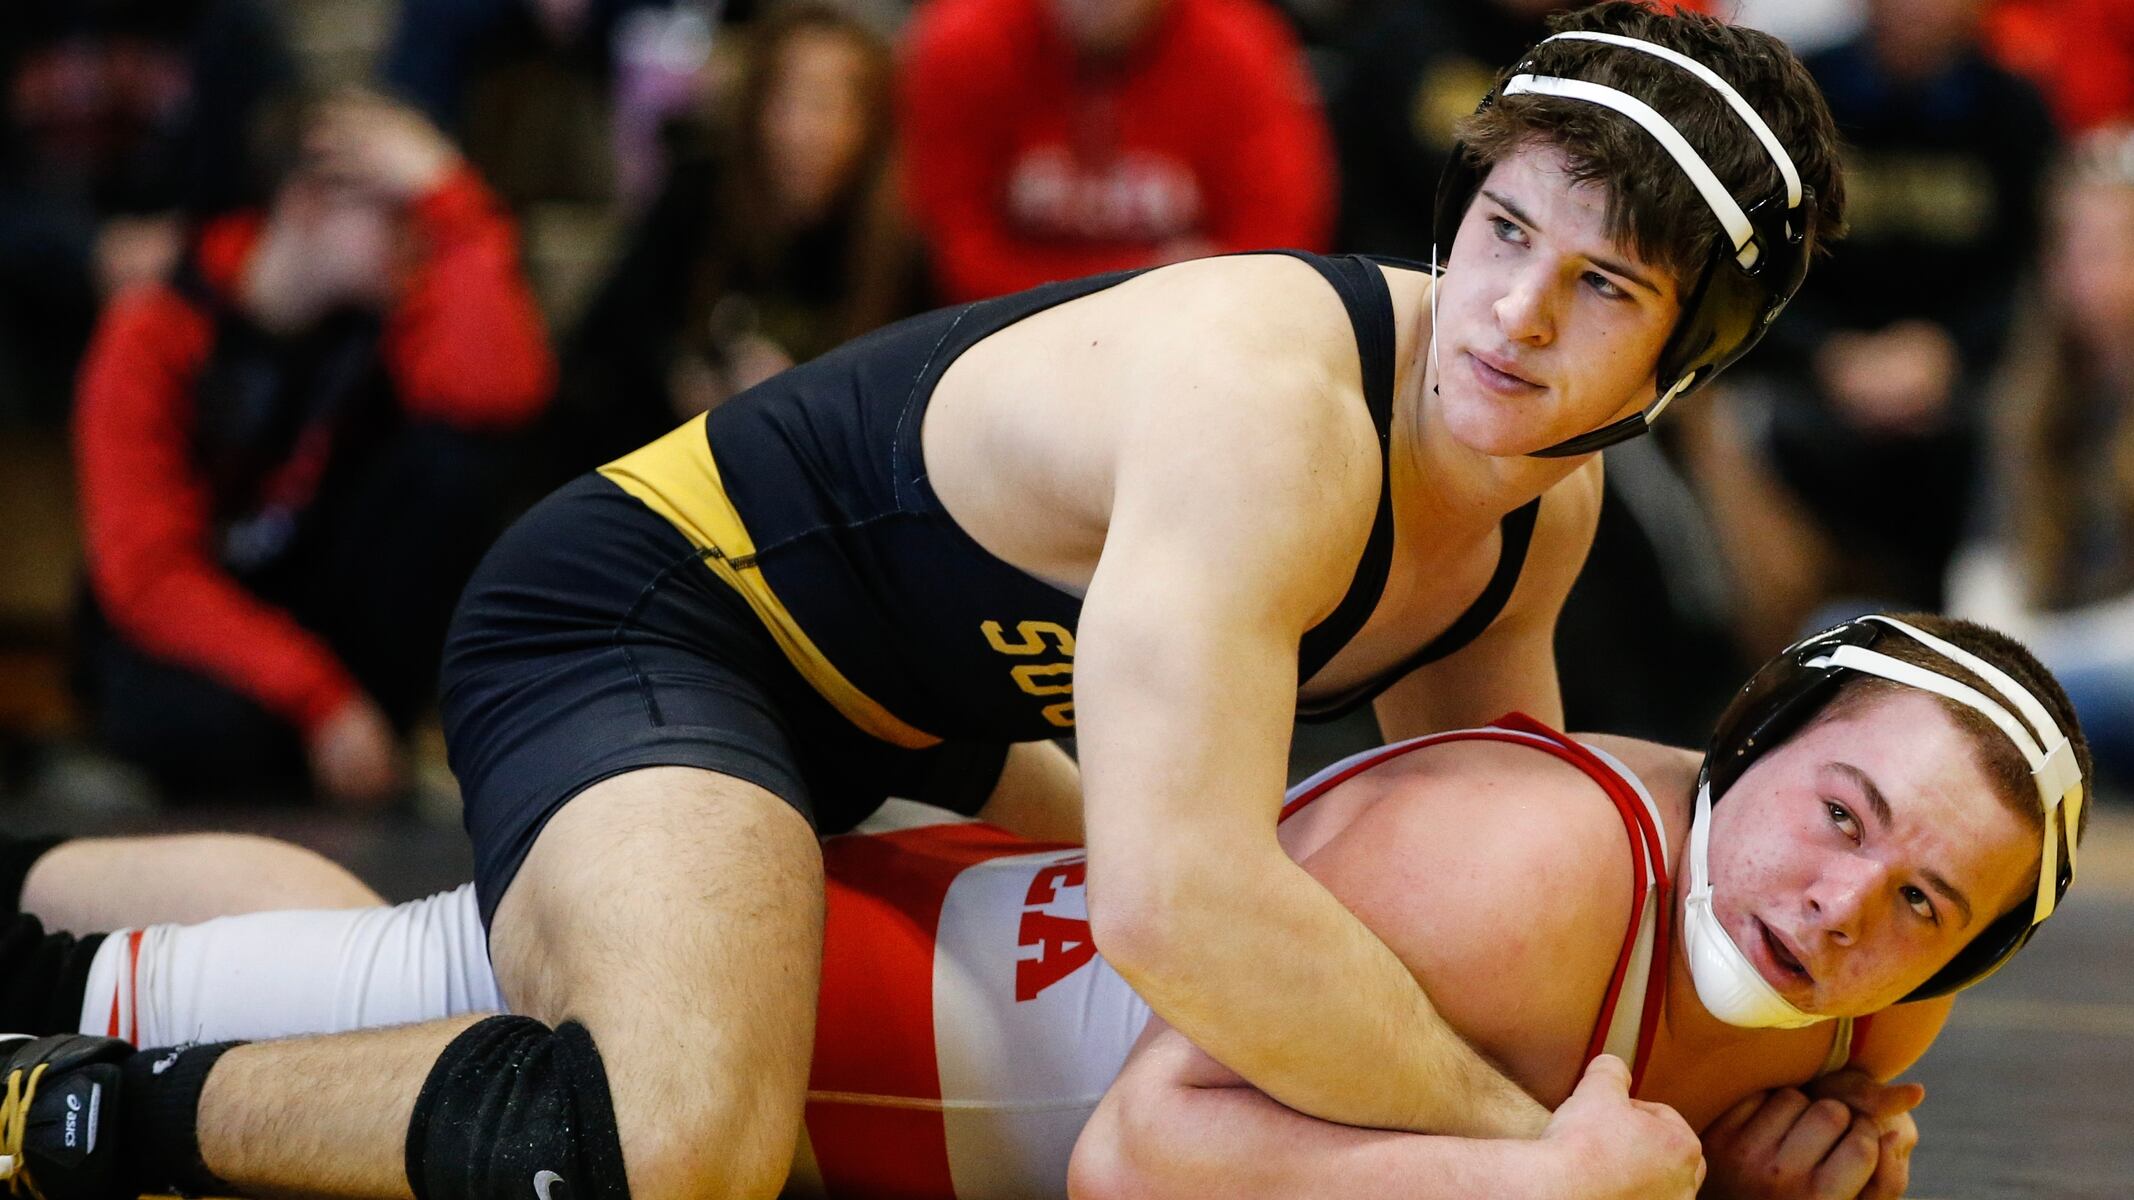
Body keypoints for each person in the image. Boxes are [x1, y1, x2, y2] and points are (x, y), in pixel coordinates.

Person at [0, 7, 1848, 1200]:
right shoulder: (1271, 412)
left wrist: (1729, 1102)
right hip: (660, 618)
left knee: (493, 968)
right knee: (678, 1139)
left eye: (1601, 290)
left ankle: (40, 931)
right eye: (1506, 232)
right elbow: (1174, 908)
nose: (1512, 317)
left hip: (910, 706)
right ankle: (60, 1109)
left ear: (1683, 362)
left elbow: (1492, 887)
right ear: (1457, 209)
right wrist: (1530, 1158)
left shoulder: (1537, 515)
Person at [0, 613, 2091, 1200]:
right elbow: (1139, 1158)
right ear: (1752, 734)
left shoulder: (1873, 997)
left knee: (408, 944)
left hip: (954, 963)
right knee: (370, 989)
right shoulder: (1533, 870)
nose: (1845, 908)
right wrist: (1535, 1184)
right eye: (1836, 816)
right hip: (853, 1000)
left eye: (1922, 901)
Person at [69, 91, 554, 808]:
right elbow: (148, 577)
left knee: (459, 462)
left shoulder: (384, 322)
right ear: (305, 203)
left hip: (321, 624)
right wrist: (322, 699)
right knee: (214, 730)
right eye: (396, 211)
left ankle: (369, 752)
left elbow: (499, 398)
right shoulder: (156, 326)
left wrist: (454, 196)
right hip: (199, 638)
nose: (417, 237)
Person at [554, 3, 918, 474]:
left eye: (827, 104)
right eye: (784, 98)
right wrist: (681, 379)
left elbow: (899, 419)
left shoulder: (897, 244)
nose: (800, 130)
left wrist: (801, 403)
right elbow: (603, 347)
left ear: (872, 123)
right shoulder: (699, 195)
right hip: (667, 466)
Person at [896, 0, 1336, 302]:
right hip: (1001, 333)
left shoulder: (1242, 47)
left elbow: (1278, 251)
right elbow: (957, 255)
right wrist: (1161, 275)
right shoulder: (961, 42)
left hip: (1195, 335)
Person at [1949, 124, 2134, 782]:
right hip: (2035, 666)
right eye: (2067, 243)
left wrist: (2021, 671)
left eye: (2108, 244)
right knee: (1837, 630)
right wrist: (1988, 662)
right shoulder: (2029, 393)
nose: (2079, 267)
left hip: (2103, 671)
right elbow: (1987, 563)